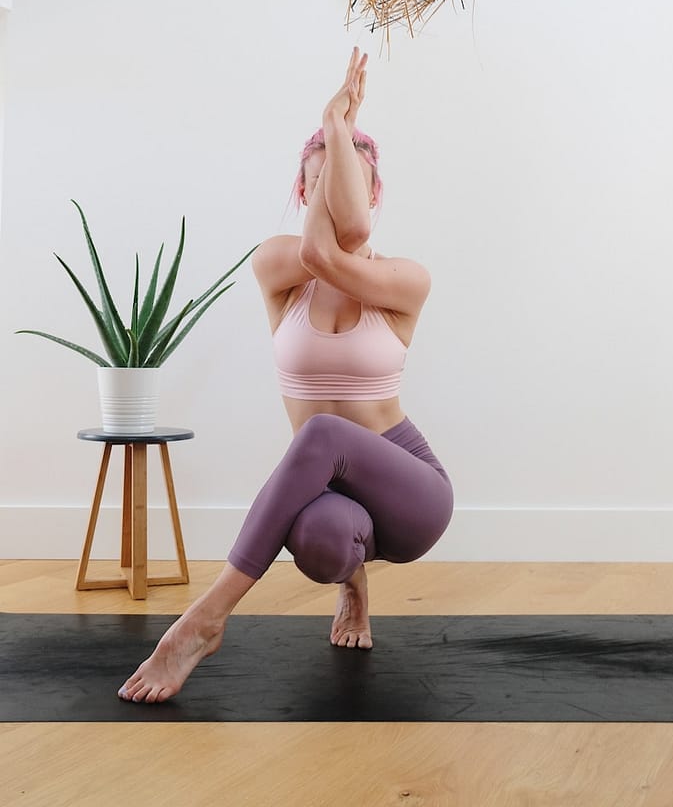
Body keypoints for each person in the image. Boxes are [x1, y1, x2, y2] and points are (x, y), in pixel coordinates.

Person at [118, 48, 454, 704]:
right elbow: (314, 251)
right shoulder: (278, 266)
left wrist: (336, 129)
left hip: (411, 493)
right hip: (331, 496)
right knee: (323, 542)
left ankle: (203, 621)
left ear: (373, 192)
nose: (333, 192)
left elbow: (339, 241)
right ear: (303, 193)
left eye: (349, 181)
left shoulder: (403, 281)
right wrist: (335, 140)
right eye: (319, 183)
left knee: (324, 430)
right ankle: (350, 584)